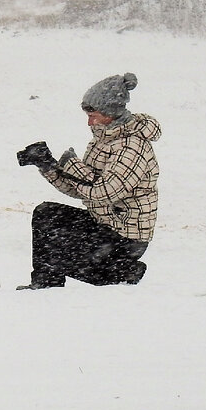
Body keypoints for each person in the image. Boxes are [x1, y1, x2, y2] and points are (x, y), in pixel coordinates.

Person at [16, 72, 161, 288]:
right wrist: (47, 164)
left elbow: (104, 192)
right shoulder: (104, 140)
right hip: (104, 223)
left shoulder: (132, 146)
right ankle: (46, 284)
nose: (89, 122)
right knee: (46, 213)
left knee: (64, 253)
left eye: (93, 115)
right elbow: (81, 189)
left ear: (110, 113)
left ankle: (121, 271)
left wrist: (73, 165)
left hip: (125, 236)